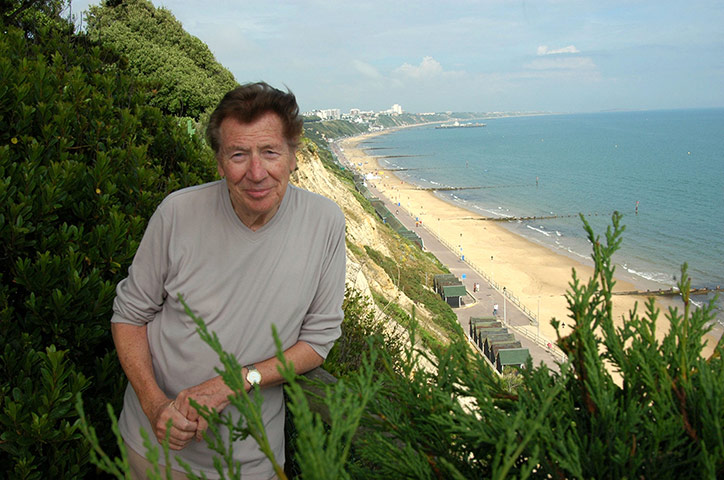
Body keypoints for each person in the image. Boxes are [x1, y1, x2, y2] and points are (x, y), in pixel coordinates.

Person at [111, 82, 346, 479]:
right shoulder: (178, 213)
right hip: (150, 451)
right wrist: (154, 407)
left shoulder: (325, 222)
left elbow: (317, 341)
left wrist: (236, 382)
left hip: (252, 465)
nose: (257, 173)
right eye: (239, 154)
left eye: (270, 152)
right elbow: (129, 315)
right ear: (220, 162)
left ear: (293, 157)